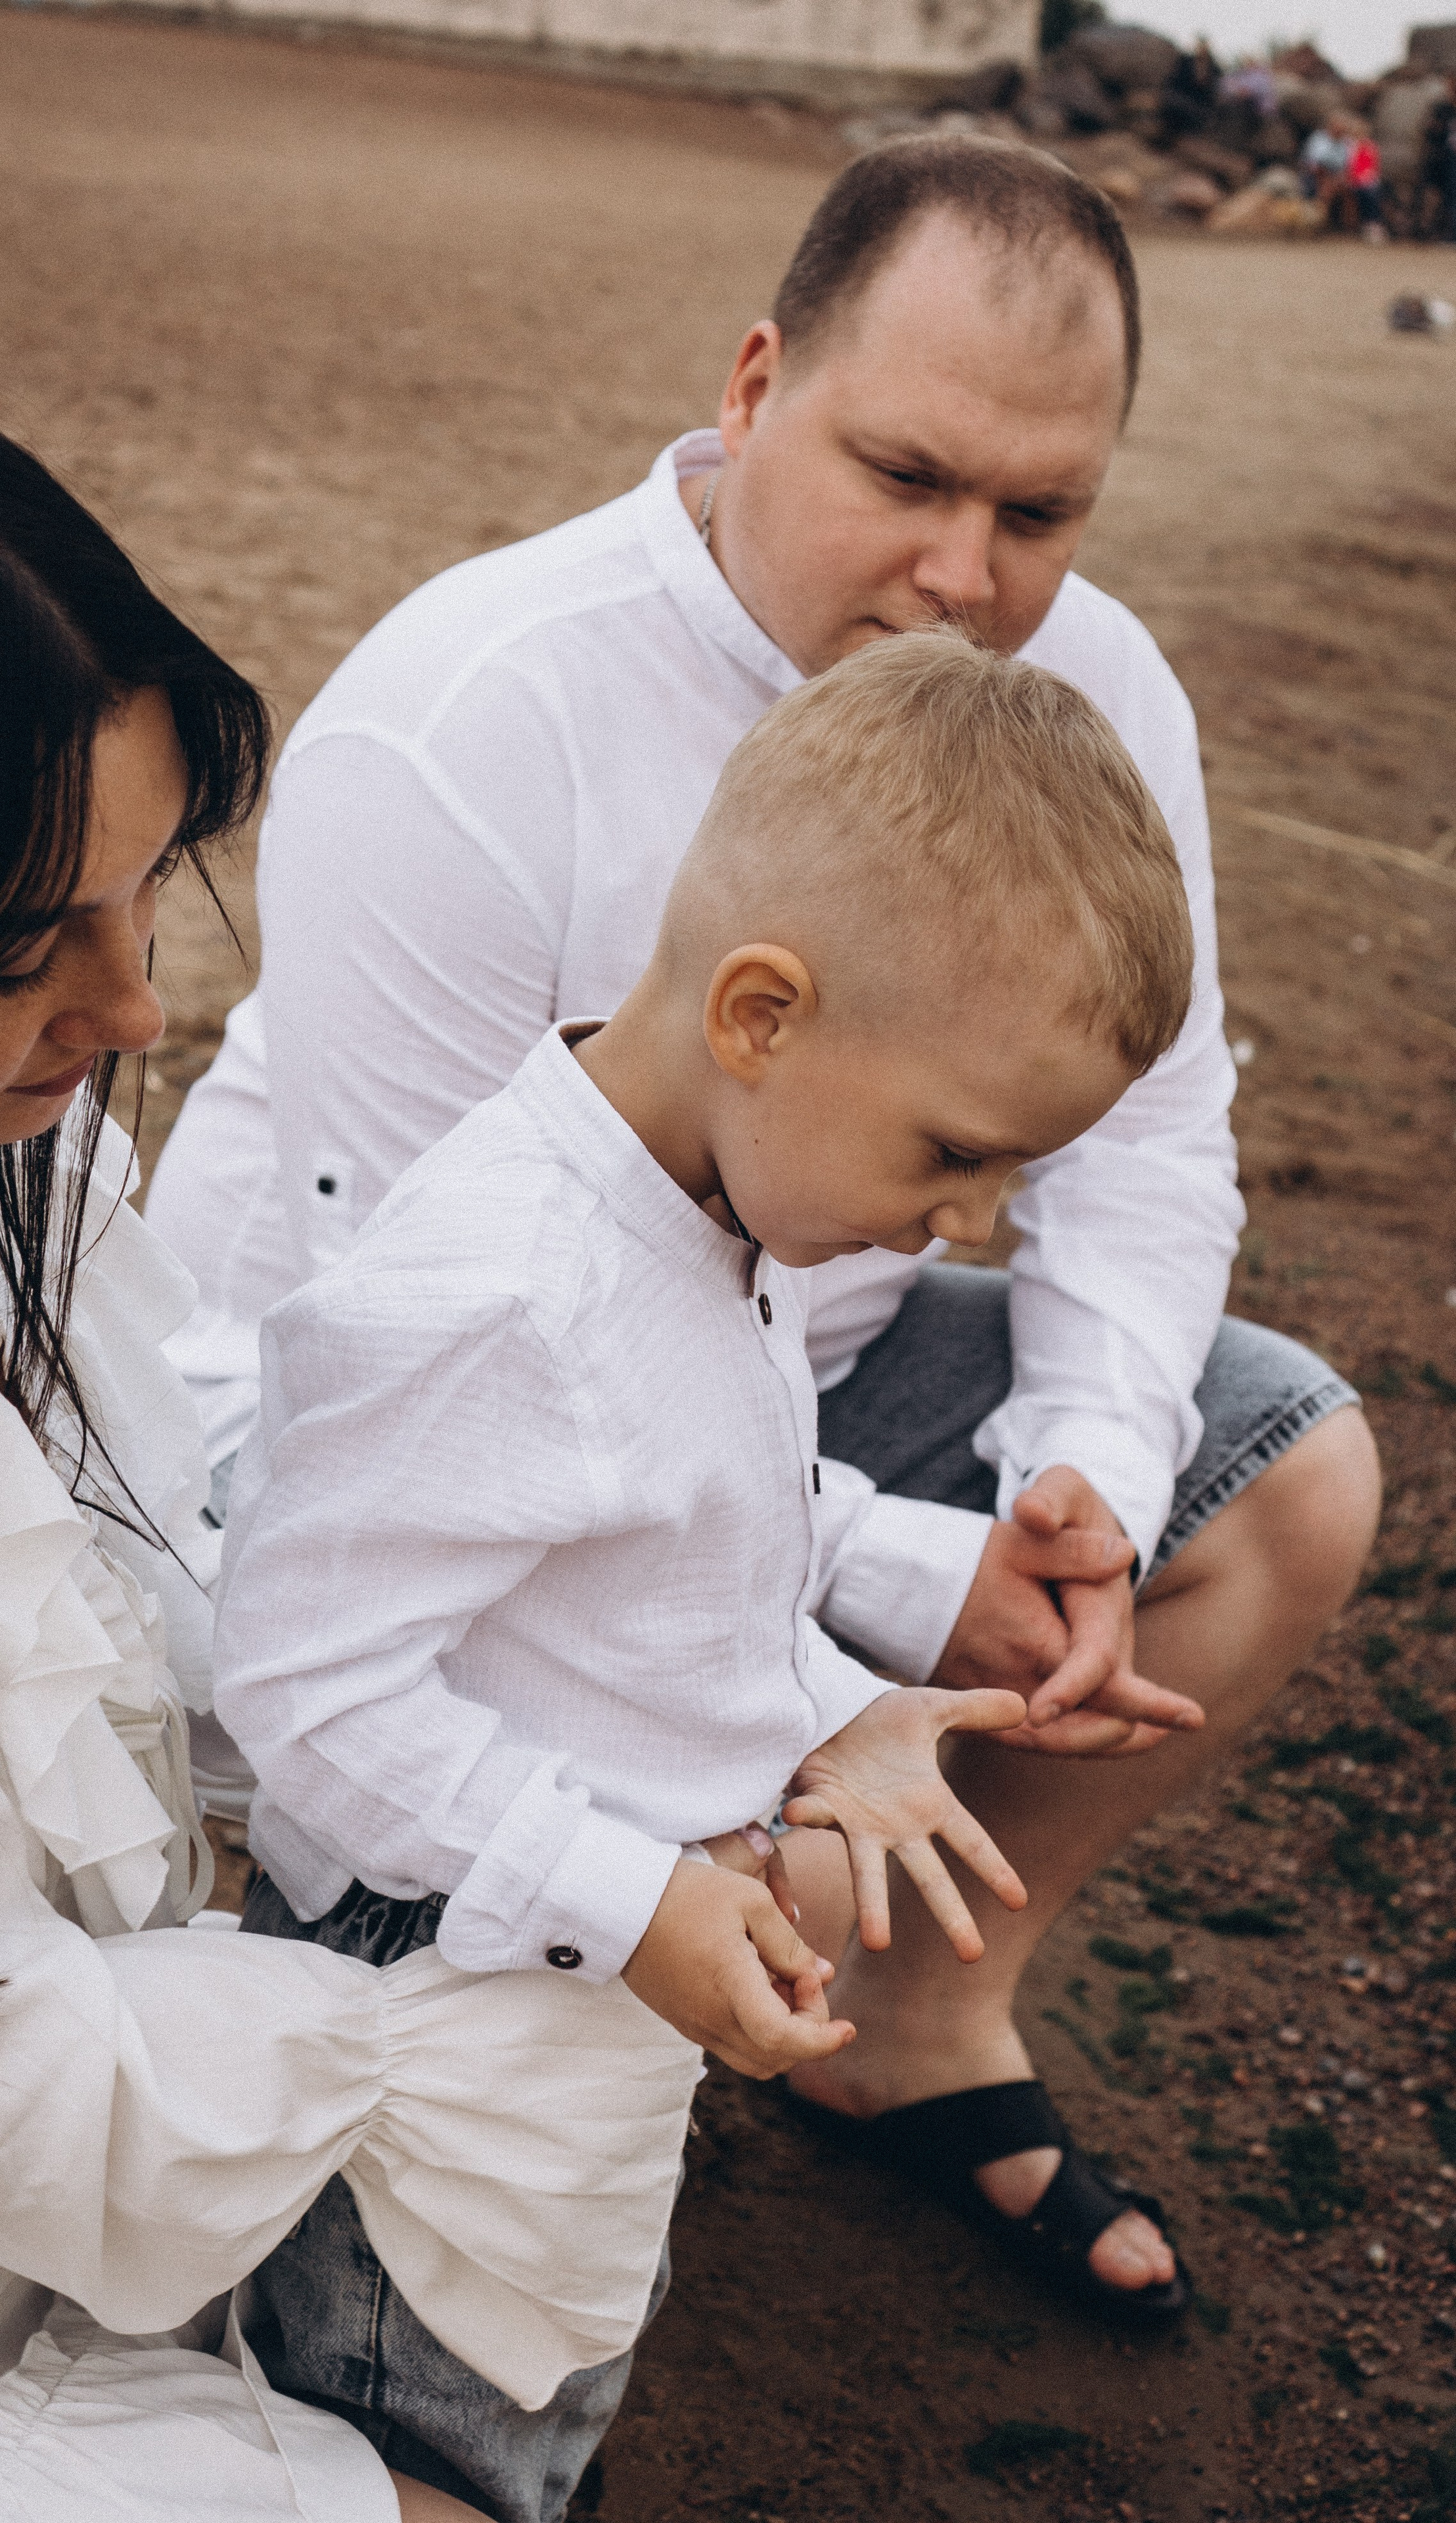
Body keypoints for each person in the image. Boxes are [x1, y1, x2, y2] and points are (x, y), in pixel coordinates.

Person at [148, 135, 1380, 2313]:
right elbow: (429, 1391)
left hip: (767, 1391)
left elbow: (1150, 1138)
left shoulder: (1095, 686)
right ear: (750, 385)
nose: (967, 574)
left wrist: (1068, 1479)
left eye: (1040, 512)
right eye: (907, 473)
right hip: (414, 1461)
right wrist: (802, 1688)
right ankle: (624, 1980)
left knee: (1281, 1477)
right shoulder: (475, 717)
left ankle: (897, 2025)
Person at [0, 355, 696, 2523]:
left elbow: (174, 1568)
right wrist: (451, 2048)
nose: (138, 1011)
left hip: (104, 2089)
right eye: (26, 944)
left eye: (146, 885)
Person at [214, 633, 1202, 2523]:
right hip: (433, 2020)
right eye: (952, 1155)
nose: (959, 1225)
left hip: (578, 1979)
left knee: (549, 2353)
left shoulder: (699, 1209)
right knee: (419, 2427)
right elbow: (306, 1689)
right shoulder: (501, 1295)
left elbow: (696, 1515)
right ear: (761, 1013)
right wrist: (635, 1896)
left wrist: (888, 1660)